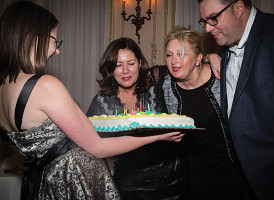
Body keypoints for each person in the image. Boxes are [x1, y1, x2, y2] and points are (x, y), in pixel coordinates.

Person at [0, 1, 184, 200]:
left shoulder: (3, 88)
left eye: (131, 63)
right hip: (74, 182)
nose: (57, 50)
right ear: (34, 37)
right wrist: (157, 136)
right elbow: (98, 146)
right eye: (55, 40)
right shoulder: (45, 85)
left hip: (46, 184)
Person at [198, 0, 274, 199]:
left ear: (238, 7)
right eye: (204, 21)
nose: (209, 28)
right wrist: (211, 55)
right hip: (245, 180)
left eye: (214, 18)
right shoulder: (227, 46)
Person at [87, 37, 186, 200]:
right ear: (111, 68)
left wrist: (210, 58)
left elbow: (185, 66)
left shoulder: (156, 79)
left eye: (131, 63)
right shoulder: (102, 101)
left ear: (140, 63)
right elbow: (89, 142)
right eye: (118, 65)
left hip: (170, 180)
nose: (125, 71)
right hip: (129, 184)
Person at [151, 26, 242, 200]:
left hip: (231, 171)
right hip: (191, 177)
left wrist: (213, 57)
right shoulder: (166, 87)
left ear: (198, 58)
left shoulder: (220, 78)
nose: (174, 61)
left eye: (182, 54)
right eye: (169, 54)